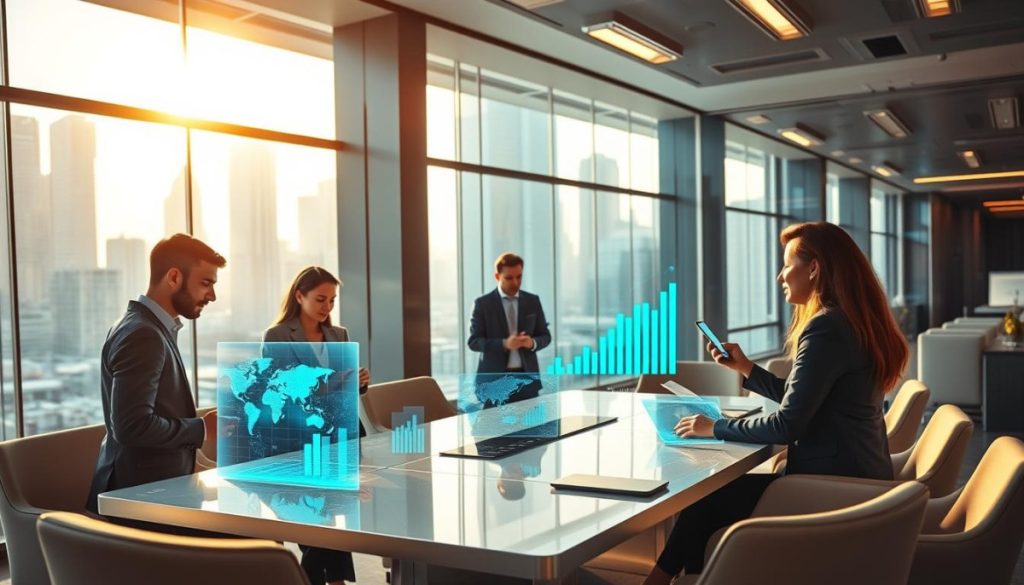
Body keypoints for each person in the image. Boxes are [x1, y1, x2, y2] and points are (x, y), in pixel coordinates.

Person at [643, 221, 909, 585]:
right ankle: (688, 578)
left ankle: (661, 580)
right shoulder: (849, 321)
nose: (780, 276)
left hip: (836, 486)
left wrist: (714, 427)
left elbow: (787, 425)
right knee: (709, 502)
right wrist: (746, 368)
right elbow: (810, 400)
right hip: (858, 474)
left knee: (704, 500)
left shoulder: (825, 328)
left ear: (814, 268)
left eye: (787, 265)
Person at [87, 233, 225, 514]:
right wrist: (203, 429)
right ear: (174, 277)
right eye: (206, 283)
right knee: (255, 538)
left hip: (157, 492)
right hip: (140, 502)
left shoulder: (145, 326)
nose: (212, 295)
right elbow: (132, 426)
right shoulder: (143, 334)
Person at [263, 266, 368, 585]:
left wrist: (358, 383)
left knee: (328, 517)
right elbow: (276, 389)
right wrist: (329, 384)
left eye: (332, 300)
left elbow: (344, 392)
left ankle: (326, 582)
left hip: (338, 439)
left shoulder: (339, 336)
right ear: (299, 296)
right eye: (320, 299)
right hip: (297, 441)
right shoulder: (278, 336)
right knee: (314, 518)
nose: (327, 307)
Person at [467, 252, 551, 404]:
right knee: (492, 427)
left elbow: (545, 336)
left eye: (519, 277)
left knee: (530, 427)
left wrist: (531, 343)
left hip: (527, 382)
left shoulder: (533, 301)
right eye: (509, 278)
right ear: (497, 276)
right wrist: (505, 344)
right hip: (493, 383)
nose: (515, 282)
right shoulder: (482, 304)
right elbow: (474, 342)